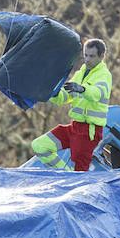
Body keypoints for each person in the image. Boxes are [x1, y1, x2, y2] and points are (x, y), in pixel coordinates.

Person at [29, 38, 113, 172]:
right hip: (74, 127)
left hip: (89, 132)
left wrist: (82, 89)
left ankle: (71, 180)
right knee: (40, 145)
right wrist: (53, 92)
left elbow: (97, 93)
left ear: (102, 56)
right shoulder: (80, 73)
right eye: (85, 55)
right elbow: (65, 97)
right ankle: (66, 175)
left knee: (80, 170)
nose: (87, 59)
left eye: (92, 56)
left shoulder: (104, 75)